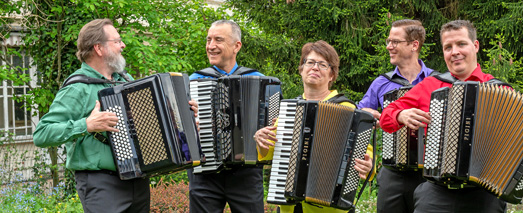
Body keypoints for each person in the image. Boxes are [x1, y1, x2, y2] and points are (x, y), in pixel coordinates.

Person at [379, 19, 523, 212]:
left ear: (475, 46)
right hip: (436, 193)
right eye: (448, 47)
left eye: (461, 44)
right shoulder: (430, 85)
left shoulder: (501, 90)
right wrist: (401, 115)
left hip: (485, 195)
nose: (455, 51)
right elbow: (385, 117)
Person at [33, 19, 198, 212]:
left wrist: (182, 116)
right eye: (117, 41)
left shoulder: (126, 82)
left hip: (137, 180)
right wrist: (86, 124)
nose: (123, 45)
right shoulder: (77, 88)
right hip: (101, 184)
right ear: (99, 48)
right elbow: (41, 134)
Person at [254, 40, 375, 213]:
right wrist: (260, 140)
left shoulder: (346, 108)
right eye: (310, 62)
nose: (315, 68)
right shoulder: (289, 110)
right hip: (290, 207)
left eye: (323, 65)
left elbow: (365, 152)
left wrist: (368, 164)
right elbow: (269, 153)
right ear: (301, 69)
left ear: (332, 75)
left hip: (329, 209)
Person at [356, 19, 436, 213]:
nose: (389, 47)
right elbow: (358, 117)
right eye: (388, 41)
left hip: (429, 174)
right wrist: (364, 114)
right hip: (392, 173)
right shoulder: (381, 83)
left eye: (395, 42)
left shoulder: (436, 81)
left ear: (414, 45)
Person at [187, 19, 265, 213]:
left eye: (218, 40)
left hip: (245, 173)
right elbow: (180, 133)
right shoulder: (195, 81)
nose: (211, 46)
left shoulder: (259, 81)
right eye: (208, 40)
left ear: (236, 46)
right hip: (205, 174)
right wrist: (189, 127)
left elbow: (273, 127)